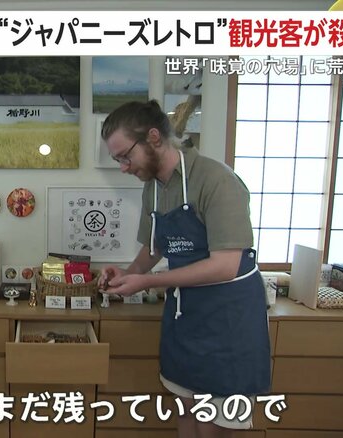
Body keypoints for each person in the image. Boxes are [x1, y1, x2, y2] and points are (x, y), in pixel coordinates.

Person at [98, 100, 271, 438]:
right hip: (185, 319)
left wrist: (147, 281)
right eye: (118, 160)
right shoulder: (154, 187)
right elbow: (155, 247)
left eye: (125, 156)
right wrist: (127, 273)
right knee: (187, 415)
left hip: (227, 322)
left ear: (153, 138)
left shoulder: (216, 180)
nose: (123, 167)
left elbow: (225, 265)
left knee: (211, 428)